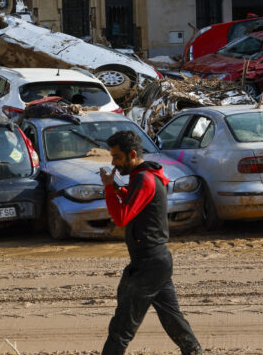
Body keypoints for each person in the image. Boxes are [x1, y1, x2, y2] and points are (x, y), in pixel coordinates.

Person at [99, 130, 202, 355]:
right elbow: (135, 200)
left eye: (117, 157)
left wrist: (109, 188)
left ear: (132, 154)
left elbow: (122, 217)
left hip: (150, 263)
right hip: (154, 261)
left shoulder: (145, 178)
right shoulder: (141, 177)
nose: (113, 162)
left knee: (122, 327)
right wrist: (117, 188)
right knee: (172, 319)